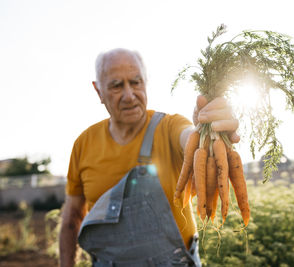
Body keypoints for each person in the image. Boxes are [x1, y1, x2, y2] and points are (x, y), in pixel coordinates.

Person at [59, 48, 239, 267]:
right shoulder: (84, 144)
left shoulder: (169, 127)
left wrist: (205, 133)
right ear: (99, 91)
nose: (129, 95)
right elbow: (71, 219)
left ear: (145, 82)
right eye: (117, 85)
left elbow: (189, 137)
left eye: (136, 82)